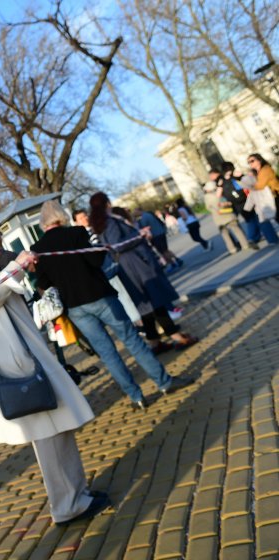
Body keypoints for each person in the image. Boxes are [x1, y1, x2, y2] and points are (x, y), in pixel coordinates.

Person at [0, 209, 111, 527]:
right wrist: (18, 265)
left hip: (14, 349)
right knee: (48, 431)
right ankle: (68, 503)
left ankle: (75, 494)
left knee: (55, 427)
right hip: (13, 354)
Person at [30, 201, 193, 410]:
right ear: (62, 216)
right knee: (132, 340)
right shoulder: (77, 233)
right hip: (101, 297)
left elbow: (43, 283)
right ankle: (164, 382)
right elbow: (96, 261)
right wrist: (97, 249)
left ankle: (136, 397)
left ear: (43, 222)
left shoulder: (38, 249)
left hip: (76, 307)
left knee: (108, 354)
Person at [89, 193, 198, 353]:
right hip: (136, 265)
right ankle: (175, 337)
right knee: (155, 301)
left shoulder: (102, 222)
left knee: (148, 306)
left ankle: (155, 342)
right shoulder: (110, 221)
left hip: (131, 266)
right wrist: (139, 235)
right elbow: (117, 245)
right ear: (107, 203)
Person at [204, 170, 246, 255]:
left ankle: (232, 249)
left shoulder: (207, 197)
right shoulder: (220, 192)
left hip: (218, 217)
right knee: (237, 230)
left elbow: (208, 207)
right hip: (228, 214)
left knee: (225, 234)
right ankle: (244, 244)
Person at [245, 153, 279, 244]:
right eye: (249, 162)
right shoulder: (258, 172)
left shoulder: (265, 169)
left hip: (276, 194)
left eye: (252, 161)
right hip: (270, 197)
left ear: (259, 160)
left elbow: (260, 185)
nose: (250, 163)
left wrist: (249, 185)